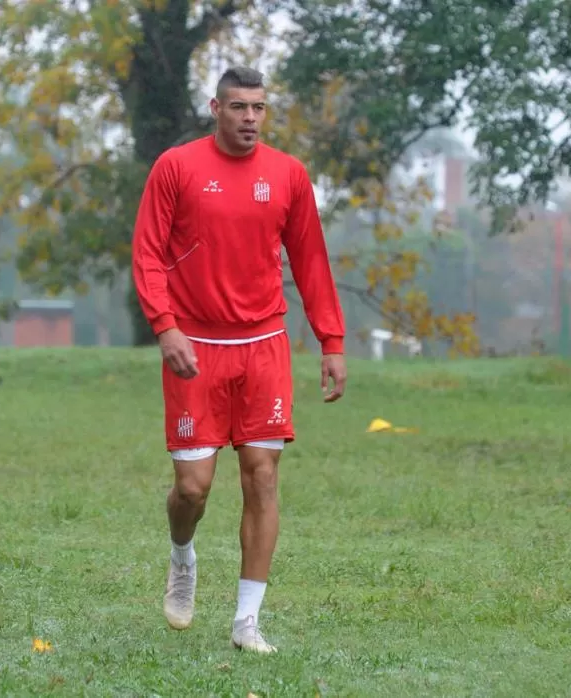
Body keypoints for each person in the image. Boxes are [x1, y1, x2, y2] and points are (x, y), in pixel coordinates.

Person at [131, 66, 348, 654]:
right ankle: (182, 557)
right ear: (215, 107)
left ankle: (246, 622)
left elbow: (310, 260)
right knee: (193, 489)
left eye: (258, 107)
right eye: (238, 107)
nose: (250, 117)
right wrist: (166, 326)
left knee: (262, 473)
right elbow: (148, 252)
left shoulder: (288, 176)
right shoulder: (176, 167)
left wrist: (331, 341)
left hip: (263, 346)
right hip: (194, 349)